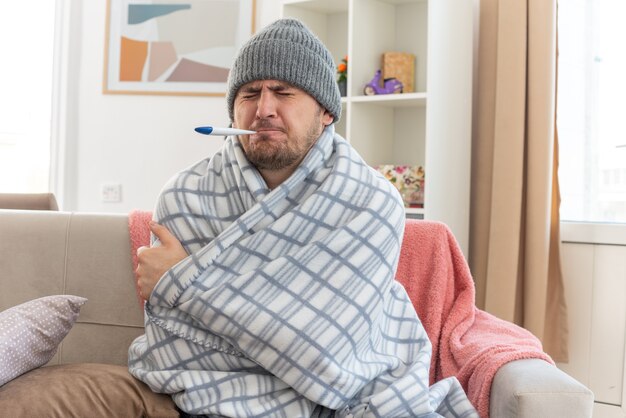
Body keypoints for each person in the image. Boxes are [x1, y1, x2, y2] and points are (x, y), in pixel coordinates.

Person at [129, 18, 478, 418]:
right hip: (213, 397)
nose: (263, 109)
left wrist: (182, 284)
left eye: (283, 92)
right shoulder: (184, 196)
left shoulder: (372, 201)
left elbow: (330, 352)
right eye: (249, 93)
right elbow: (176, 345)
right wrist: (281, 337)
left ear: (326, 111)